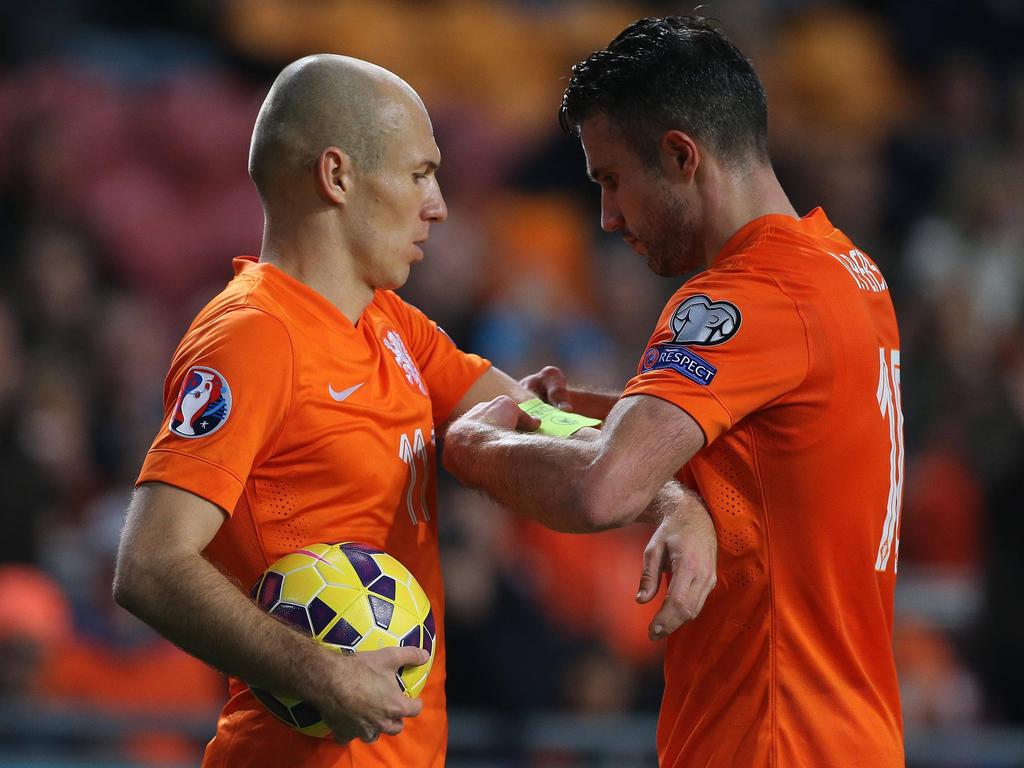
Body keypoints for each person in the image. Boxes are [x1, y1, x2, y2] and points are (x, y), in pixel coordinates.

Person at [113, 54, 711, 768]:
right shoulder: (252, 337)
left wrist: (677, 496)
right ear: (336, 177)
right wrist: (319, 672)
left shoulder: (393, 325)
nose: (440, 205)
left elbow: (537, 420)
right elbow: (149, 564)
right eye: (420, 174)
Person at [443, 16, 904, 767]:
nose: (607, 217)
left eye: (612, 180)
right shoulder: (852, 274)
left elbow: (604, 489)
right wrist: (577, 413)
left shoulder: (747, 296)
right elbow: (753, 456)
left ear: (681, 156)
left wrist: (469, 447)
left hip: (766, 736)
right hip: (847, 734)